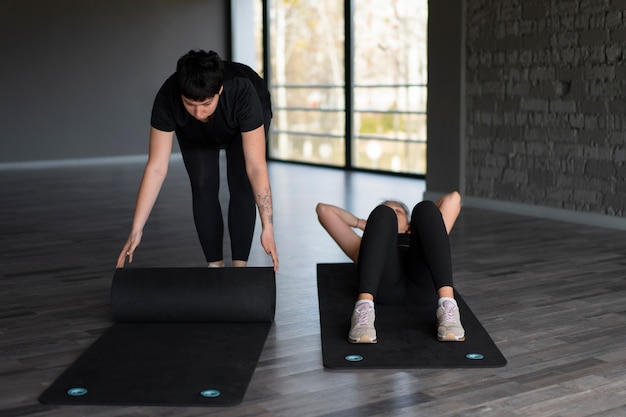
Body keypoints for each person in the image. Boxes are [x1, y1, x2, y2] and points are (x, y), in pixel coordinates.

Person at [117, 50, 278, 271]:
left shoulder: (242, 90)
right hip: (195, 133)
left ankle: (240, 272)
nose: (199, 113)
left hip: (244, 115)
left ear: (219, 90)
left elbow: (256, 168)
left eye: (205, 104)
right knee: (202, 185)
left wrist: (267, 226)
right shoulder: (168, 97)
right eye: (190, 104)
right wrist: (136, 228)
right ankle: (215, 268)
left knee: (241, 182)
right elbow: (156, 168)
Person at [315, 191, 463, 343]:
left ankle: (448, 307)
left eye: (398, 211)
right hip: (385, 289)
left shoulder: (428, 238)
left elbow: (453, 198)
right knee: (382, 213)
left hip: (425, 287)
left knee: (425, 208)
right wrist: (364, 224)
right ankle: (363, 310)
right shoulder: (363, 246)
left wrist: (419, 223)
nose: (394, 213)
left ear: (408, 222)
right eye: (392, 211)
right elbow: (324, 210)